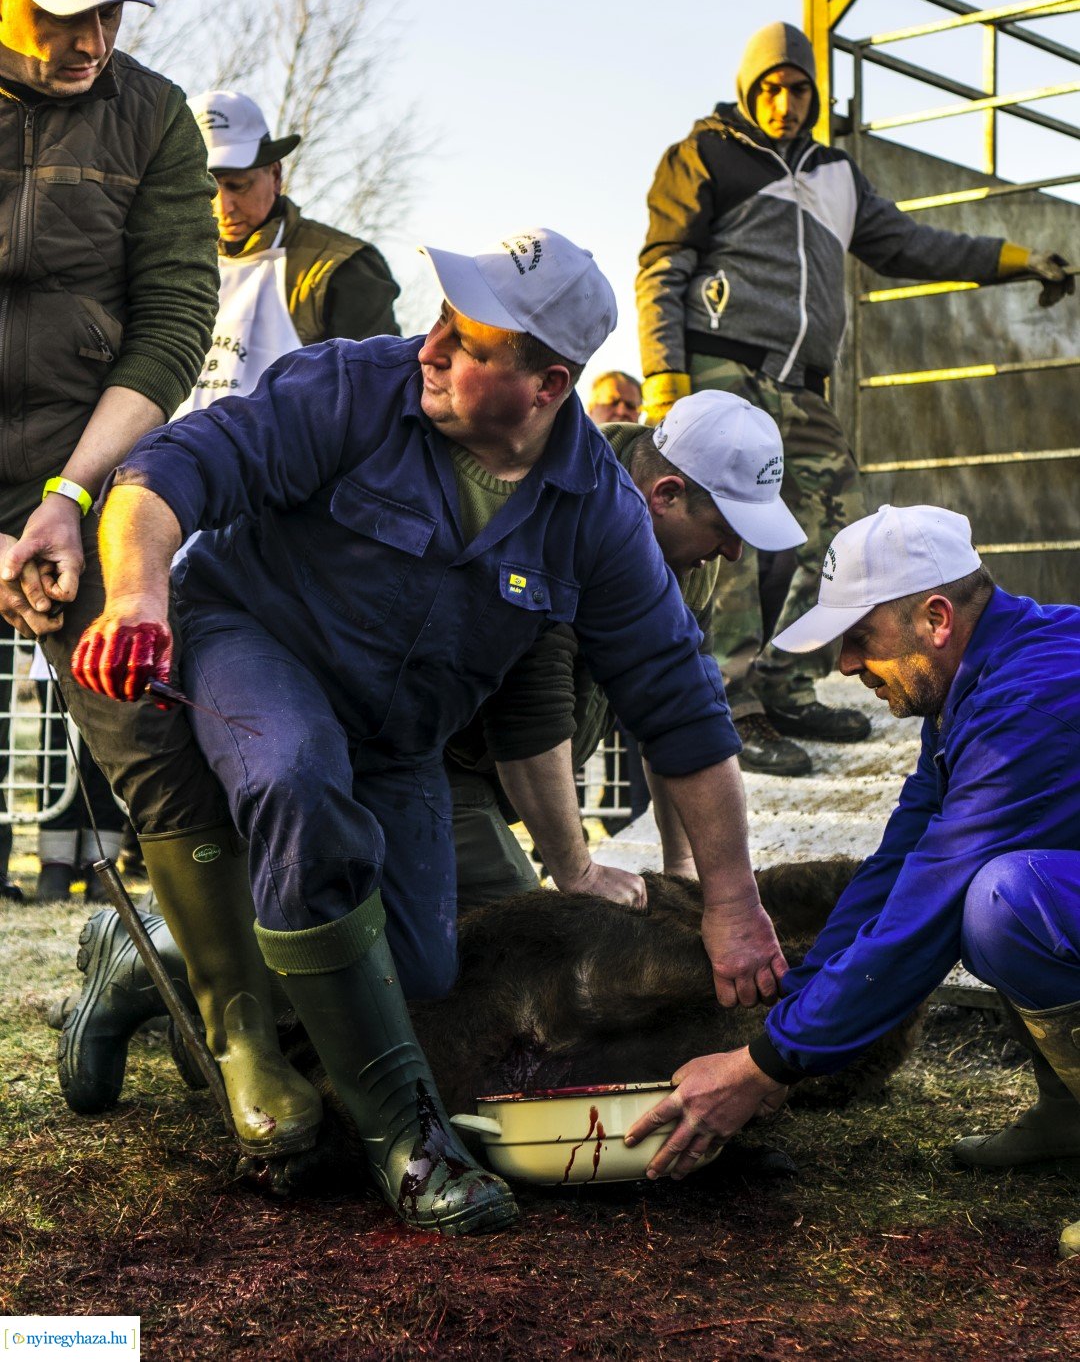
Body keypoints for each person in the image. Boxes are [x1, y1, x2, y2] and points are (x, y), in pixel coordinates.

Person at [68, 227, 786, 1236]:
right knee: (298, 776)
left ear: (547, 384)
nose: (432, 347)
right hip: (251, 636)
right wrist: (137, 595)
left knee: (419, 972)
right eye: (441, 321)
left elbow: (681, 705)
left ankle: (152, 956)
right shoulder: (353, 387)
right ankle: (404, 1138)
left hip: (397, 737)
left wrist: (733, 902)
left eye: (470, 338)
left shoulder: (597, 514)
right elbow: (171, 468)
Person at [626, 503, 1080, 1259]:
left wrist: (763, 1066)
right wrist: (791, 1007)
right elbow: (898, 866)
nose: (841, 665)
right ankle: (1072, 1111)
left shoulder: (1032, 696)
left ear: (935, 619)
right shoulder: (977, 677)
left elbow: (924, 915)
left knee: (1006, 900)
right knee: (990, 892)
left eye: (859, 637)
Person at [635, 21, 1075, 779]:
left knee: (839, 527)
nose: (784, 101)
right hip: (723, 367)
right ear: (749, 89)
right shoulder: (706, 154)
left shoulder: (836, 175)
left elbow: (911, 243)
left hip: (801, 382)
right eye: (770, 87)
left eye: (798, 87)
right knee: (731, 533)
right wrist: (664, 376)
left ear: (816, 93)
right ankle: (731, 705)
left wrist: (1017, 259)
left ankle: (785, 680)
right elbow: (663, 265)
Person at [0, 0, 231, 900]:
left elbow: (176, 318)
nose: (89, 37)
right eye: (61, 13)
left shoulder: (153, 118)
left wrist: (71, 493)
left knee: (149, 721)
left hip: (84, 466)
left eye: (109, 10)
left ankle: (235, 1022)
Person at [448, 389, 806, 908]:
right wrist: (577, 870)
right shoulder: (560, 510)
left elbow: (673, 710)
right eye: (726, 531)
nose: (733, 553)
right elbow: (529, 709)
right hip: (437, 766)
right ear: (665, 495)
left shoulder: (690, 561)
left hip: (512, 777)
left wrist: (682, 867)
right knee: (520, 934)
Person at [182, 90, 400, 411]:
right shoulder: (168, 261)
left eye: (237, 185)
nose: (223, 207)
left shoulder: (340, 267)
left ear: (275, 175)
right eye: (207, 189)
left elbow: (377, 398)